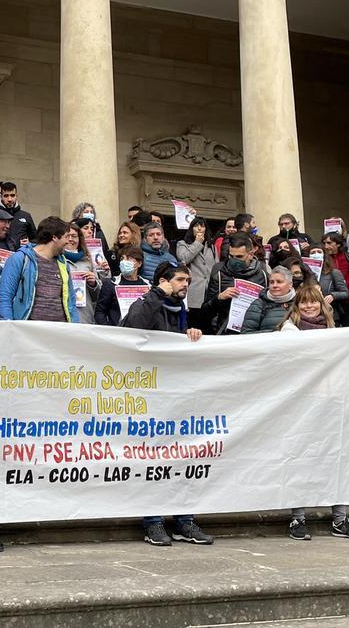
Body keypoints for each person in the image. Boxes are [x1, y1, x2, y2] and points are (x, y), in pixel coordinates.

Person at [122, 263, 210, 547]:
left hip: (177, 394)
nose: (186, 283)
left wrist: (191, 336)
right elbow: (134, 327)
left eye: (189, 279)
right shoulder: (148, 302)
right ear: (164, 281)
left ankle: (185, 521)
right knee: (153, 458)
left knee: (184, 457)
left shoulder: (181, 310)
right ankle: (153, 522)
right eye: (181, 279)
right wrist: (156, 294)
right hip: (150, 393)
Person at [277, 282, 349, 542]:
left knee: (336, 458)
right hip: (301, 406)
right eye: (304, 301)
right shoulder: (289, 330)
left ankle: (340, 518)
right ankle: (298, 517)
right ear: (296, 305)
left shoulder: (332, 331)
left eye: (313, 301)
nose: (308, 305)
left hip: (331, 403)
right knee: (300, 459)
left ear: (321, 304)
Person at [0, 217, 80, 322]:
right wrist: (7, 324)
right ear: (54, 237)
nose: (69, 241)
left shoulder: (63, 263)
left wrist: (75, 327)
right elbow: (5, 297)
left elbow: (71, 301)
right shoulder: (20, 259)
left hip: (60, 331)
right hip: (28, 331)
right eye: (66, 236)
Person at [202, 233, 270, 334]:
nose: (234, 260)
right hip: (226, 332)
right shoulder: (219, 275)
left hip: (254, 332)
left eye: (239, 256)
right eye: (231, 256)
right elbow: (205, 310)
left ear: (251, 255)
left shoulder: (263, 275)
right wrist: (219, 297)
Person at [176, 217, 217, 332]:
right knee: (193, 326)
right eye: (196, 225)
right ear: (191, 229)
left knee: (208, 328)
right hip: (193, 292)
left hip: (209, 292)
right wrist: (197, 243)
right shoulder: (182, 244)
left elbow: (216, 267)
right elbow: (184, 258)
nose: (199, 228)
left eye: (202, 226)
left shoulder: (211, 247)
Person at [95, 246, 147, 326]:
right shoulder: (111, 284)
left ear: (139, 263)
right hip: (117, 333)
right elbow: (100, 312)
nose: (124, 262)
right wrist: (108, 329)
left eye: (129, 259)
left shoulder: (147, 286)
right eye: (122, 258)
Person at [62, 222, 102, 325]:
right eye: (67, 236)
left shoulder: (87, 261)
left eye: (74, 236)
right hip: (62, 313)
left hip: (84, 314)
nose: (70, 239)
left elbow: (97, 295)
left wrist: (93, 284)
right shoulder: (57, 259)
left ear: (80, 239)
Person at [240, 266, 296, 333]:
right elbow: (246, 332)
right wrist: (274, 334)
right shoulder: (259, 304)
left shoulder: (299, 303)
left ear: (290, 284)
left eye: (279, 282)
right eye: (271, 282)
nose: (274, 285)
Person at [322, 232, 349, 323]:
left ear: (338, 244)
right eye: (324, 243)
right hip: (330, 303)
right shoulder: (323, 260)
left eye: (329, 243)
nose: (326, 246)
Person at [0, 181, 36, 250]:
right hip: (0, 255)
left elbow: (35, 239)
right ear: (1, 197)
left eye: (12, 195)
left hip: (21, 255)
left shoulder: (26, 216)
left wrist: (29, 243)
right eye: (6, 196)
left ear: (16, 196)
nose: (9, 199)